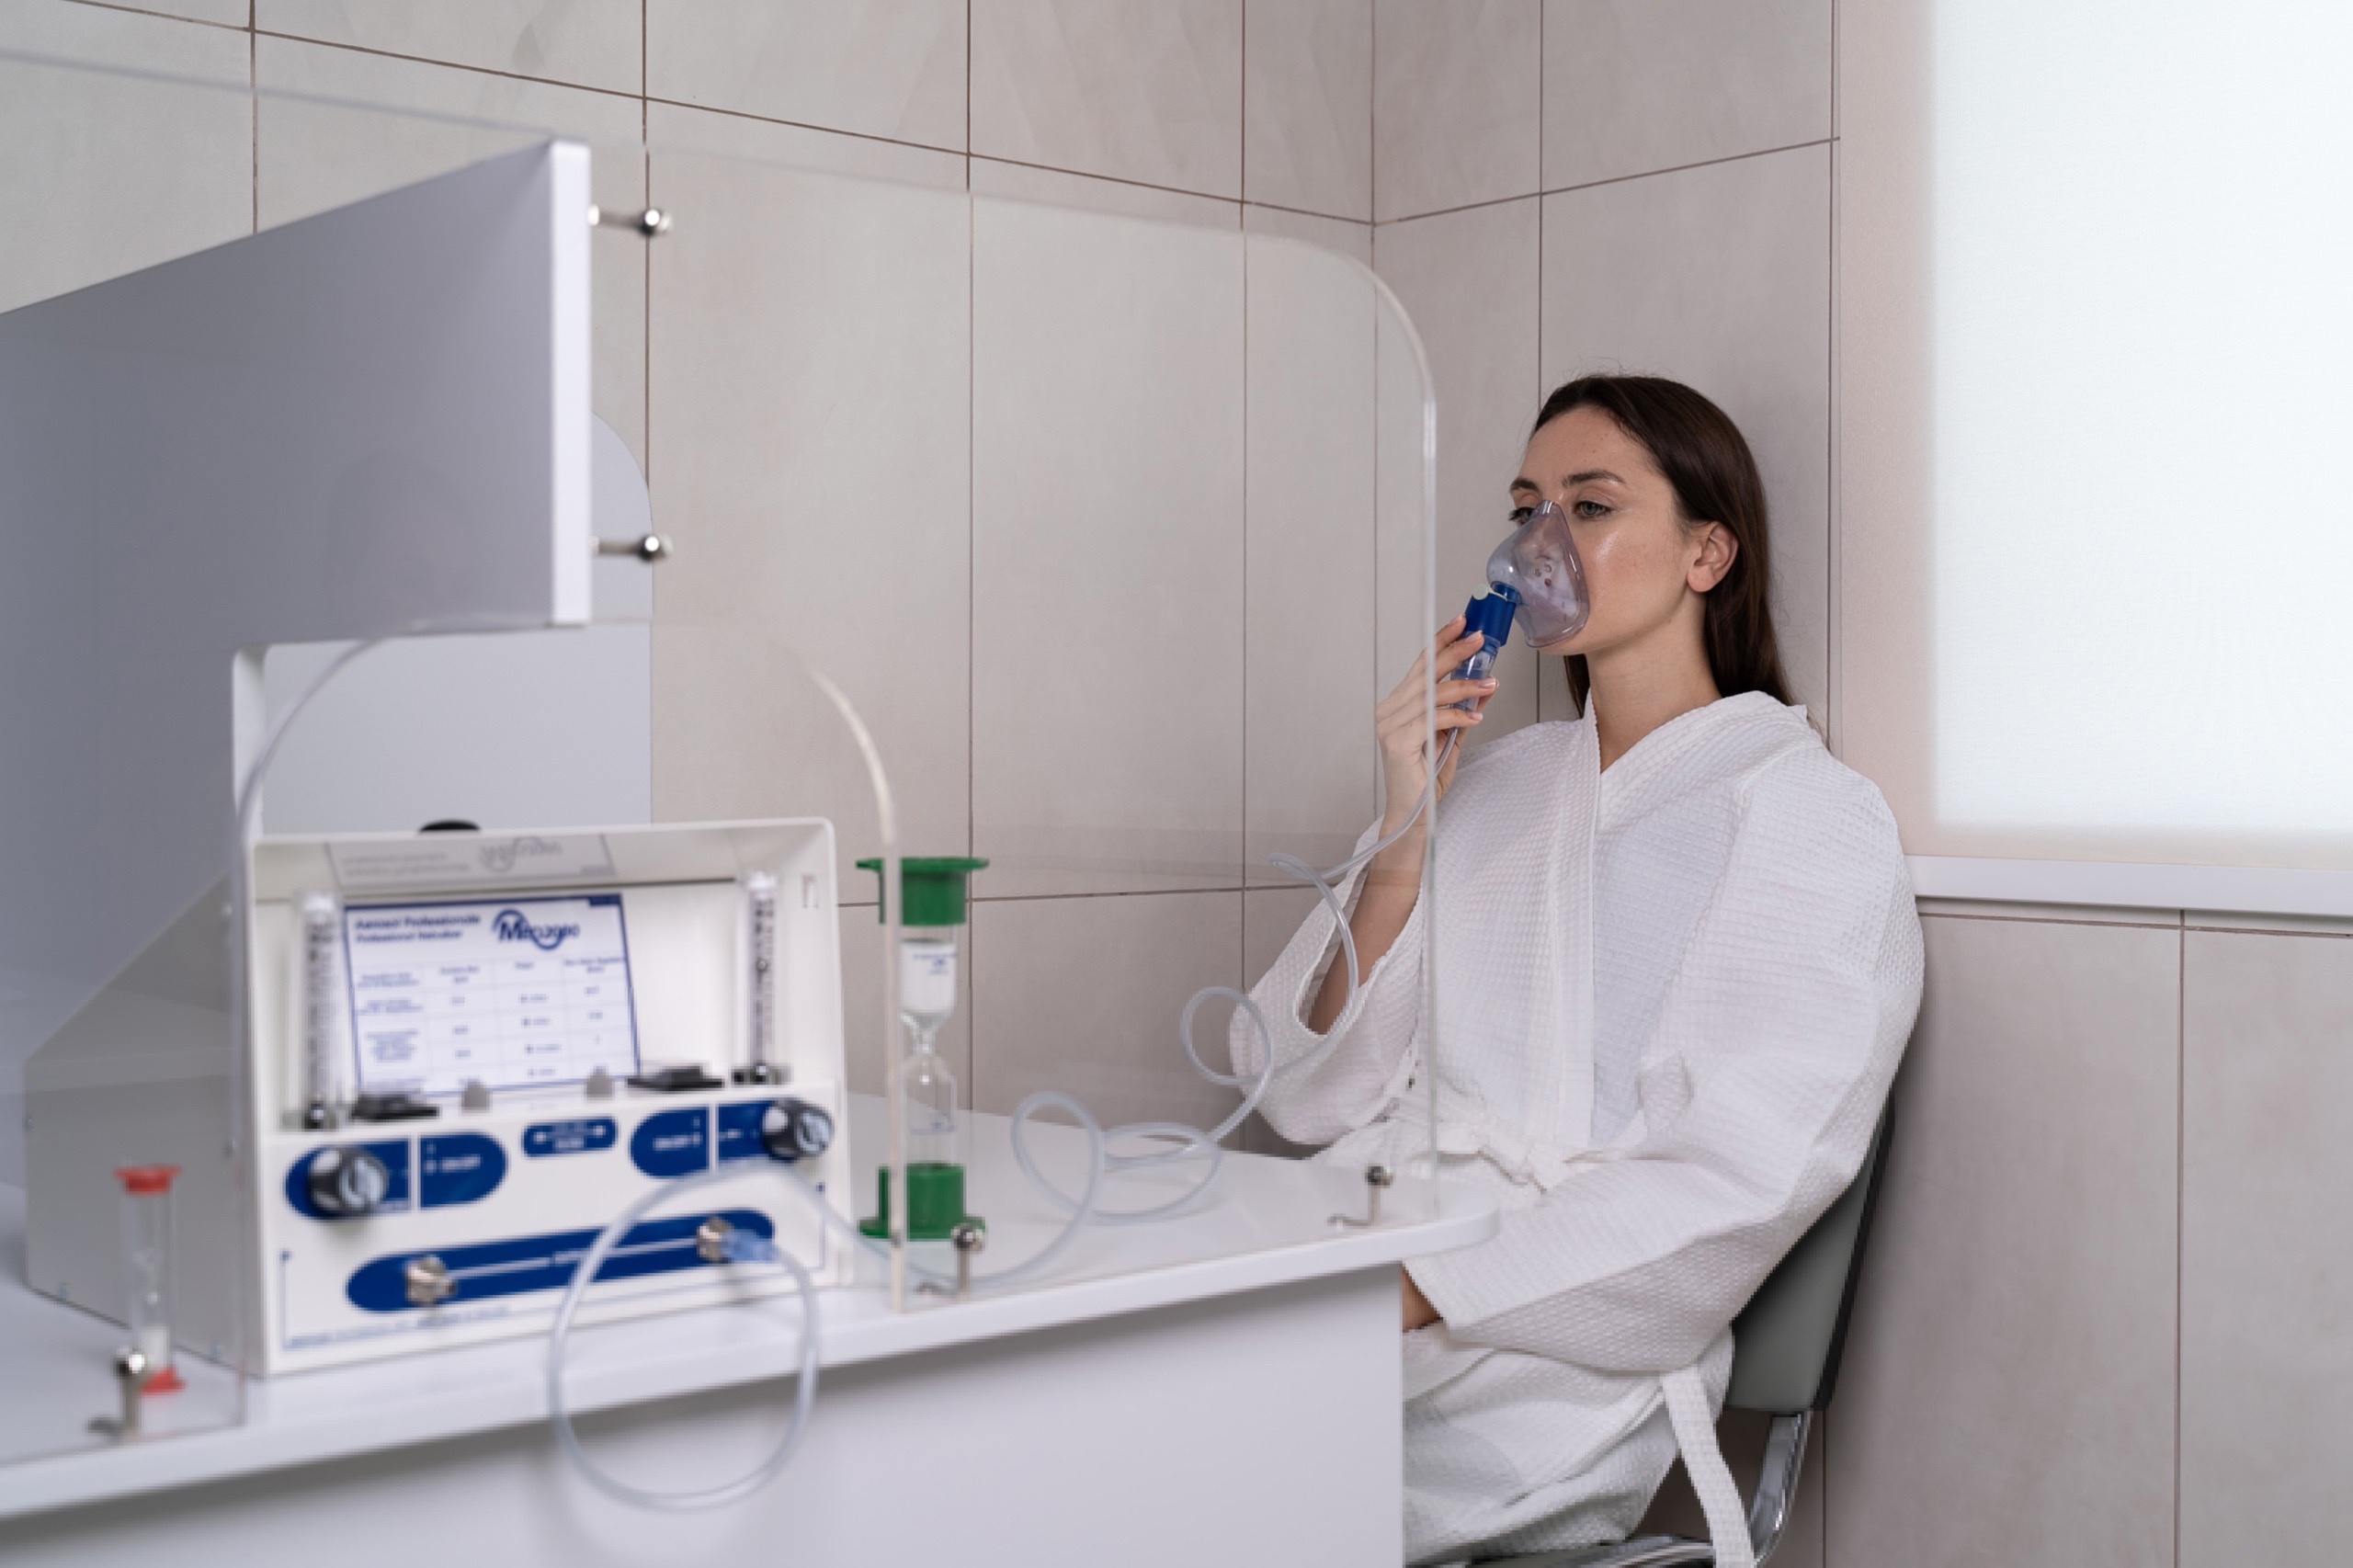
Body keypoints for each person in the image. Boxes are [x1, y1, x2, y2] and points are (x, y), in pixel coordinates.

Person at [1233, 376, 1924, 1566]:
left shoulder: (1802, 812)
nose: (1538, 545)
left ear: (1708, 553)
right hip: (1376, 1249)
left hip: (1550, 1342)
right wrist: (1407, 823)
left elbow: (1739, 1179)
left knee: (1191, 1477)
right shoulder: (1493, 782)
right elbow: (1308, 1094)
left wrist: (1422, 1288)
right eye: (1526, 509)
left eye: (1590, 507)